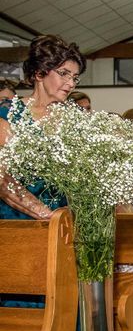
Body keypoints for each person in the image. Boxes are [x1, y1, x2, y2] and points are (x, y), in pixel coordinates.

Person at [0, 35, 85, 220]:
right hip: (17, 221)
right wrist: (46, 214)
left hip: (64, 221)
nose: (71, 84)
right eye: (64, 74)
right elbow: (2, 179)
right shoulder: (8, 114)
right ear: (39, 73)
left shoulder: (75, 119)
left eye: (75, 78)